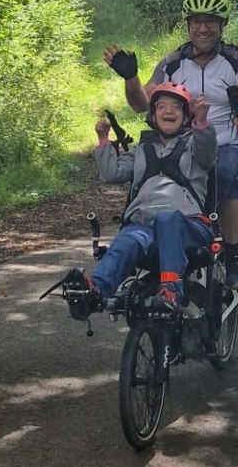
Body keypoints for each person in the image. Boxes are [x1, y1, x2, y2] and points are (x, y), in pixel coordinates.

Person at [103, 0, 238, 282]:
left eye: (210, 21)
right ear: (187, 25)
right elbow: (141, 103)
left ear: (221, 26)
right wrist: (130, 78)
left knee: (223, 178)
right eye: (196, 22)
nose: (202, 28)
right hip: (176, 142)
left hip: (221, 142)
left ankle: (233, 250)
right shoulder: (172, 62)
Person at [63, 83, 218, 317]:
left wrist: (202, 122)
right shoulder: (142, 149)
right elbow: (111, 173)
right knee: (126, 240)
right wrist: (104, 140)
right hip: (144, 229)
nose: (169, 111)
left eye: (176, 107)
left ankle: (170, 290)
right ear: (153, 115)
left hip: (189, 228)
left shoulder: (194, 146)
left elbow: (208, 153)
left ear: (186, 116)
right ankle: (94, 292)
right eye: (162, 106)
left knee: (167, 219)